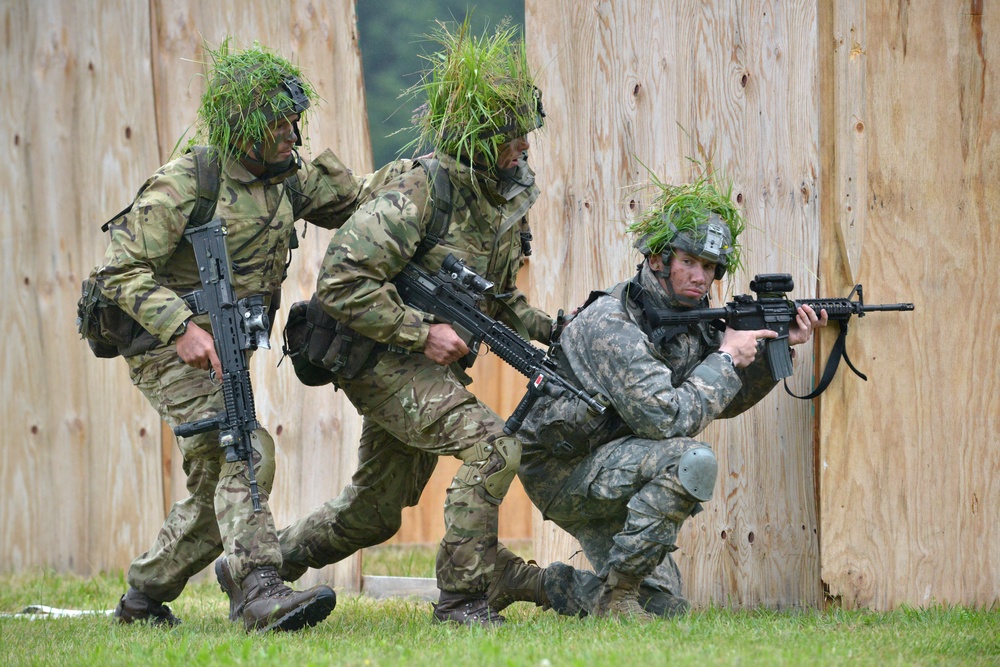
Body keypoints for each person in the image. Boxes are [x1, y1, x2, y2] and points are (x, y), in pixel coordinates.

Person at [217, 20, 553, 628]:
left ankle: (260, 561)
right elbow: (343, 282)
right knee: (493, 445)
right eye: (510, 138)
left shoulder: (503, 195)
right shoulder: (425, 189)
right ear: (478, 139)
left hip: (422, 363)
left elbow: (499, 299)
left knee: (376, 514)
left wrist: (552, 328)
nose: (522, 148)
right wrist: (421, 333)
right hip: (377, 356)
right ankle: (463, 600)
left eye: (524, 135)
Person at [96, 40, 367, 632]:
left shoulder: (287, 182)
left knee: (217, 484)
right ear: (244, 126)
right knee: (244, 448)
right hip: (167, 349)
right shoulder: (191, 179)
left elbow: (368, 207)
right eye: (278, 124)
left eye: (295, 120)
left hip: (228, 346)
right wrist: (180, 330)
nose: (291, 133)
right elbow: (117, 270)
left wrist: (429, 175)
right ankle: (258, 590)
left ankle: (144, 596)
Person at [489, 174, 828, 620]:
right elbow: (667, 421)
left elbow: (715, 400)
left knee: (668, 610)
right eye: (690, 262)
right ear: (657, 259)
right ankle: (619, 598)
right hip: (562, 470)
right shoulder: (613, 324)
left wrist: (765, 356)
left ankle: (522, 580)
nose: (701, 277)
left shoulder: (687, 321)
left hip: (614, 460)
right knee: (691, 459)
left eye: (710, 268)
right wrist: (726, 358)